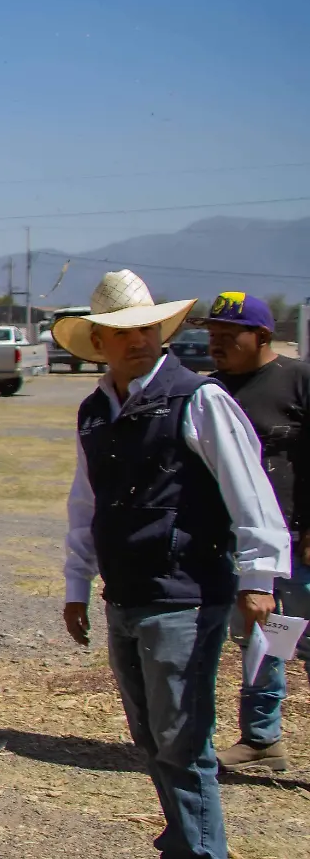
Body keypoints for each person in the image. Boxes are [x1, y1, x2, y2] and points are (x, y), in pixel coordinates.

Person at [58, 271, 289, 859]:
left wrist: (260, 578)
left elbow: (250, 490)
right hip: (127, 592)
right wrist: (78, 582)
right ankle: (186, 839)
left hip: (185, 592)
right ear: (99, 341)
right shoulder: (95, 411)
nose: (138, 340)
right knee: (151, 735)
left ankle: (200, 849)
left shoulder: (200, 399)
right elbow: (87, 502)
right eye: (123, 331)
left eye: (147, 328)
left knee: (183, 739)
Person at [202, 292, 310, 773]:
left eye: (228, 337)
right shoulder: (212, 392)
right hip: (245, 550)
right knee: (264, 639)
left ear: (262, 337)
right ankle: (263, 739)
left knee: (303, 640)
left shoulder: (298, 379)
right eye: (211, 337)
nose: (216, 346)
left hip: (299, 543)